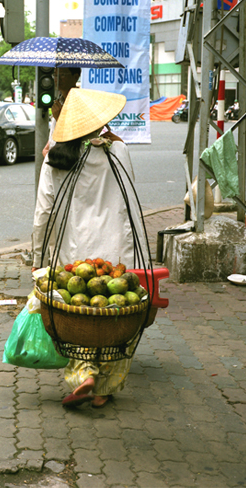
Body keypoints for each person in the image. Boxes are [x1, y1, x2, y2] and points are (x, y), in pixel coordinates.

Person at [31, 87, 147, 410]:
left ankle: (85, 374)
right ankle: (103, 386)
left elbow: (42, 214)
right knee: (112, 316)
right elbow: (130, 200)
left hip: (73, 257)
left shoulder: (55, 157)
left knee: (78, 317)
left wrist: (38, 255)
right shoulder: (119, 152)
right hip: (115, 258)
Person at [42, 68, 81, 157]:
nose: (57, 79)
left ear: (75, 77)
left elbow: (76, 135)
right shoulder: (59, 101)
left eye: (62, 74)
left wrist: (60, 118)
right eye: (55, 75)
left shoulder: (80, 102)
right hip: (55, 158)